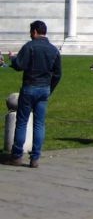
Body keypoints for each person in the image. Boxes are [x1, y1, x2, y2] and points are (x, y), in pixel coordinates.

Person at [8, 20, 61, 167]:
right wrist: (50, 88)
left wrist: (12, 59)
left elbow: (20, 65)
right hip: (44, 88)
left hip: (29, 86)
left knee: (22, 122)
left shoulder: (29, 46)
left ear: (35, 32)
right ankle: (35, 158)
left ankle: (17, 155)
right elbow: (58, 74)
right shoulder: (54, 50)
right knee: (39, 124)